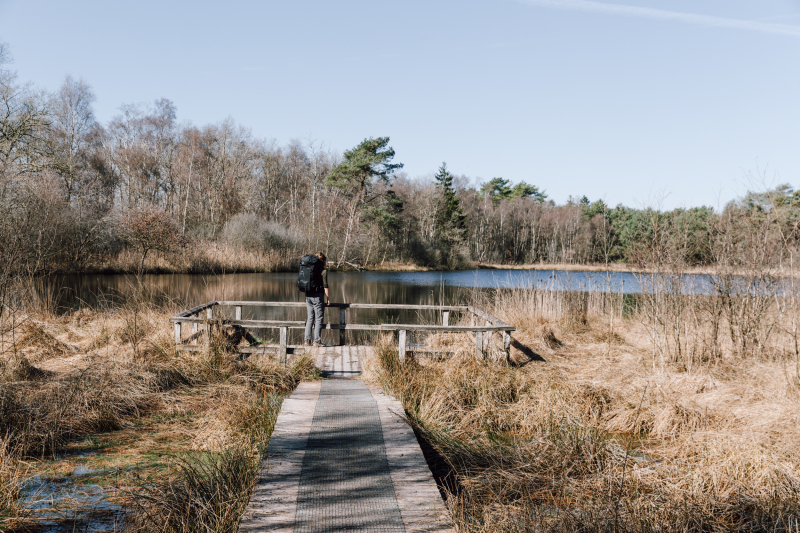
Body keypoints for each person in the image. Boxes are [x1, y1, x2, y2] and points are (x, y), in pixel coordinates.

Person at [304, 251, 330, 347]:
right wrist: (328, 298)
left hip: (308, 296)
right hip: (317, 297)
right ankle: (317, 342)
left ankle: (307, 341)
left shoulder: (309, 269)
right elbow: (325, 286)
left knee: (310, 318)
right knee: (319, 318)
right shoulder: (323, 271)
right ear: (323, 261)